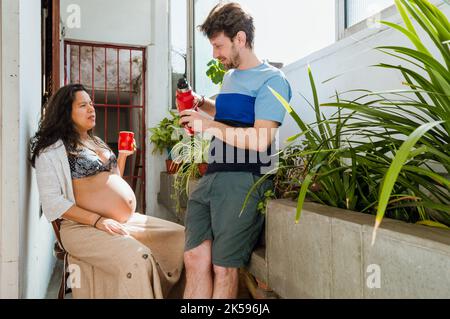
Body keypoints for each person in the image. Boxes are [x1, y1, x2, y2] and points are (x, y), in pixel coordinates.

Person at [179, 3, 292, 299]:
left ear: (239, 39)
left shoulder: (273, 80)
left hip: (244, 179)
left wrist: (207, 125)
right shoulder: (229, 78)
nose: (215, 54)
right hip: (212, 176)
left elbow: (259, 140)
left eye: (218, 45)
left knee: (223, 267)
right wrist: (204, 103)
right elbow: (231, 114)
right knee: (194, 258)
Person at [30, 84, 185, 299]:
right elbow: (53, 203)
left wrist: (121, 156)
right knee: (138, 259)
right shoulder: (52, 151)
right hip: (82, 226)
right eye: (83, 105)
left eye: (91, 104)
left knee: (179, 237)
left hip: (122, 220)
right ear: (66, 112)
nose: (91, 109)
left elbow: (113, 180)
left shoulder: (96, 141)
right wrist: (97, 221)